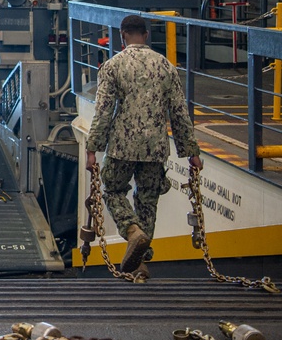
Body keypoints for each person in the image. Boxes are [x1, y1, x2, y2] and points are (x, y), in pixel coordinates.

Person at [85, 14, 202, 276]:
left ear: (122, 35)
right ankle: (140, 263)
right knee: (147, 202)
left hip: (121, 147)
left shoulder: (113, 66)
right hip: (156, 148)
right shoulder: (166, 66)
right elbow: (179, 113)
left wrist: (92, 148)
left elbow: (103, 112)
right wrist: (191, 153)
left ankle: (131, 231)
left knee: (113, 191)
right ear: (146, 36)